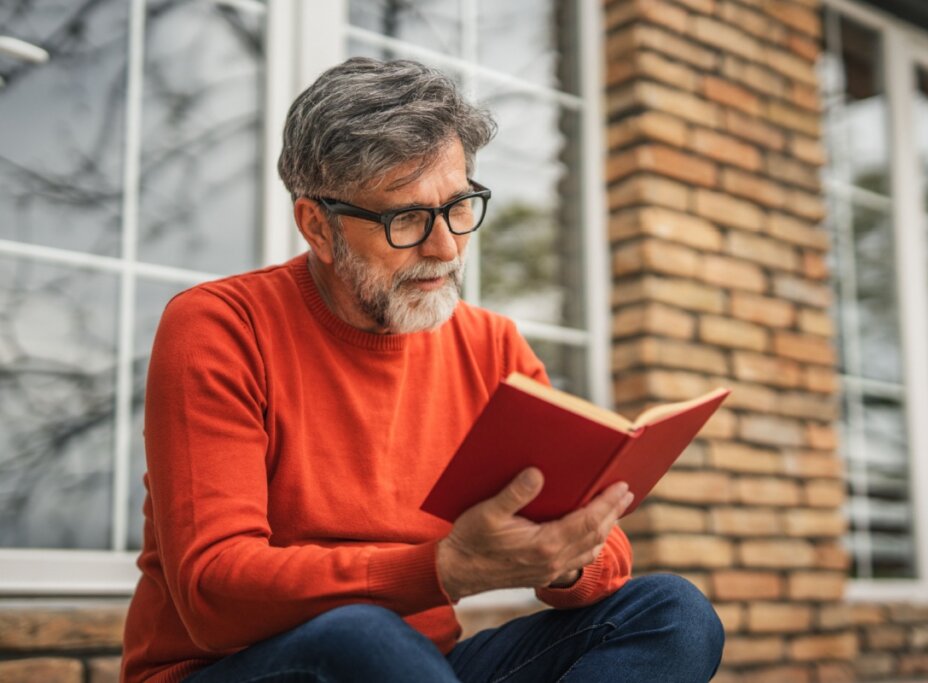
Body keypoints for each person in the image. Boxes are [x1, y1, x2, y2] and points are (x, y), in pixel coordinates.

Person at [120, 57, 724, 683]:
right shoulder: (221, 326)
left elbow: (603, 546)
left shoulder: (491, 345)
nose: (445, 248)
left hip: (420, 669)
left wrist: (566, 557)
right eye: (405, 219)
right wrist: (446, 569)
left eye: (459, 207)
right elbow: (213, 593)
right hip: (243, 667)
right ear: (317, 226)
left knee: (672, 613)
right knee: (361, 636)